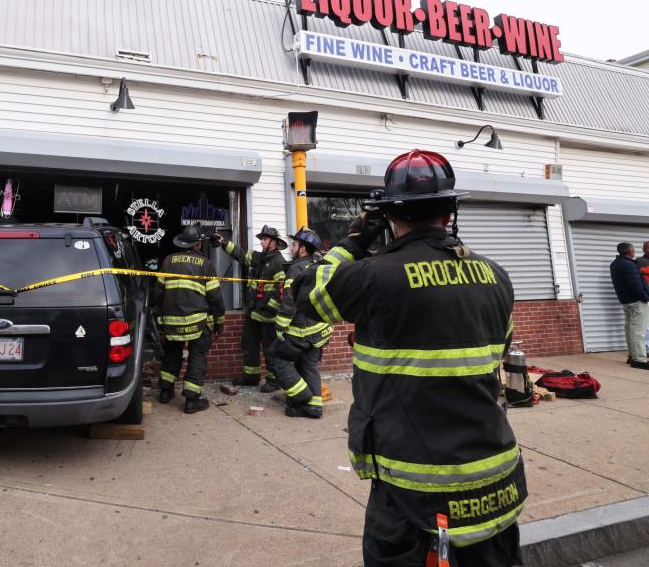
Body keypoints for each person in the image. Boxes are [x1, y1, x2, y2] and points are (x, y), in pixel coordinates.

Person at [308, 150, 526, 567]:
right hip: (497, 482)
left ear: (389, 217)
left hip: (415, 499)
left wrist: (354, 241)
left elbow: (310, 295)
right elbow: (498, 347)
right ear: (449, 214)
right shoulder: (496, 276)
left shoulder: (375, 274)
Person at [151, 225, 225, 414]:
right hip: (197, 322)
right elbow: (215, 297)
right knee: (197, 357)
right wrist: (219, 321)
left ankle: (166, 392)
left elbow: (157, 293)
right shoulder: (205, 264)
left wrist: (157, 316)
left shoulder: (168, 261)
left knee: (172, 354)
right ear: (198, 244)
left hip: (171, 322)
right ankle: (191, 400)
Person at [214, 225, 287, 391]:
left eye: (265, 239)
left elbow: (281, 293)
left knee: (270, 350)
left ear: (274, 243)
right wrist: (223, 242)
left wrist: (269, 308)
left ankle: (273, 381)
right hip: (254, 314)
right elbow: (241, 254)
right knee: (249, 344)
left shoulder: (278, 263)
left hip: (268, 317)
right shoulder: (260, 258)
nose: (262, 242)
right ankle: (251, 377)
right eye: (261, 239)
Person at [272, 227, 330, 418]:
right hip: (320, 330)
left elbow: (289, 302)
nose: (292, 247)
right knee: (308, 366)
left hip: (301, 331)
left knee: (279, 361)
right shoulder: (321, 264)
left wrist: (280, 326)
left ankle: (302, 398)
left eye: (295, 244)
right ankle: (314, 407)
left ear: (303, 249)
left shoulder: (296, 269)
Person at [610, 242, 649, 369]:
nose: (634, 251)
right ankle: (640, 360)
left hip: (626, 302)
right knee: (638, 332)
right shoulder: (629, 264)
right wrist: (645, 297)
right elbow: (636, 285)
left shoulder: (615, 264)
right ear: (629, 251)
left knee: (630, 330)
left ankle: (632, 356)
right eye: (633, 249)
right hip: (637, 302)